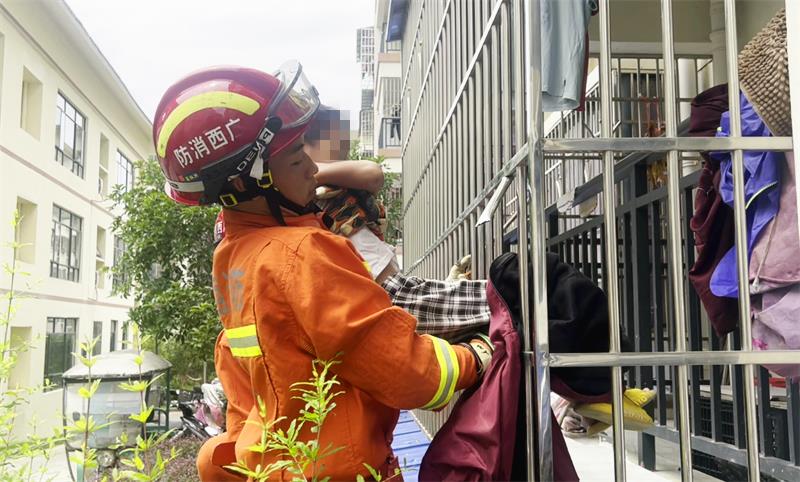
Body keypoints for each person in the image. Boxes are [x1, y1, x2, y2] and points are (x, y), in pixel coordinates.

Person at [153, 63, 493, 481]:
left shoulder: (231, 263)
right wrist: (476, 356)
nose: (314, 172)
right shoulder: (303, 254)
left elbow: (246, 388)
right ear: (251, 183)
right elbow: (405, 371)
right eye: (298, 161)